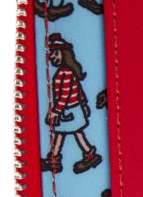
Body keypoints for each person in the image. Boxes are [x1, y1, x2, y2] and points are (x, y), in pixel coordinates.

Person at [40, 34, 102, 175]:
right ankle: (59, 158)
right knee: (67, 134)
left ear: (64, 54)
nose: (53, 57)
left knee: (69, 134)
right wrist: (84, 104)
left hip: (70, 111)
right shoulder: (64, 72)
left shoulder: (65, 73)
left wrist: (56, 110)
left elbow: (65, 95)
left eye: (56, 53)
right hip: (69, 110)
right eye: (51, 54)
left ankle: (59, 159)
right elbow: (79, 90)